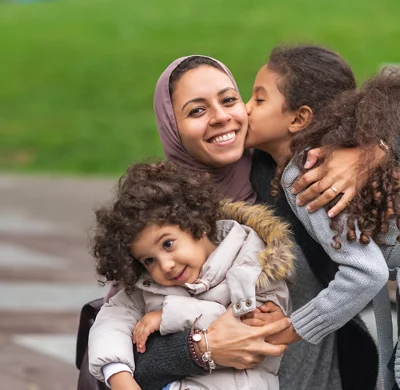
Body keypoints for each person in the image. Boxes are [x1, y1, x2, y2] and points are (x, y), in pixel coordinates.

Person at [82, 51, 382, 390]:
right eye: (197, 110)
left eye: (229, 100)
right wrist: (201, 348)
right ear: (171, 126)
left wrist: (372, 152)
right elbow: (123, 354)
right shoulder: (158, 212)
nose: (220, 117)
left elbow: (363, 105)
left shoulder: (290, 173)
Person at [245, 46, 400, 389]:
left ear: (298, 118)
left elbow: (366, 272)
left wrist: (293, 329)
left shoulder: (304, 173)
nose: (245, 109)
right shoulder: (347, 147)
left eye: (258, 100)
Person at [89, 160, 294, 390]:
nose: (165, 265)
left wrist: (166, 316)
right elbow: (110, 322)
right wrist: (118, 375)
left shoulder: (252, 262)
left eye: (167, 244)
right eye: (149, 260)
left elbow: (244, 326)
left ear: (198, 224)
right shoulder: (147, 286)